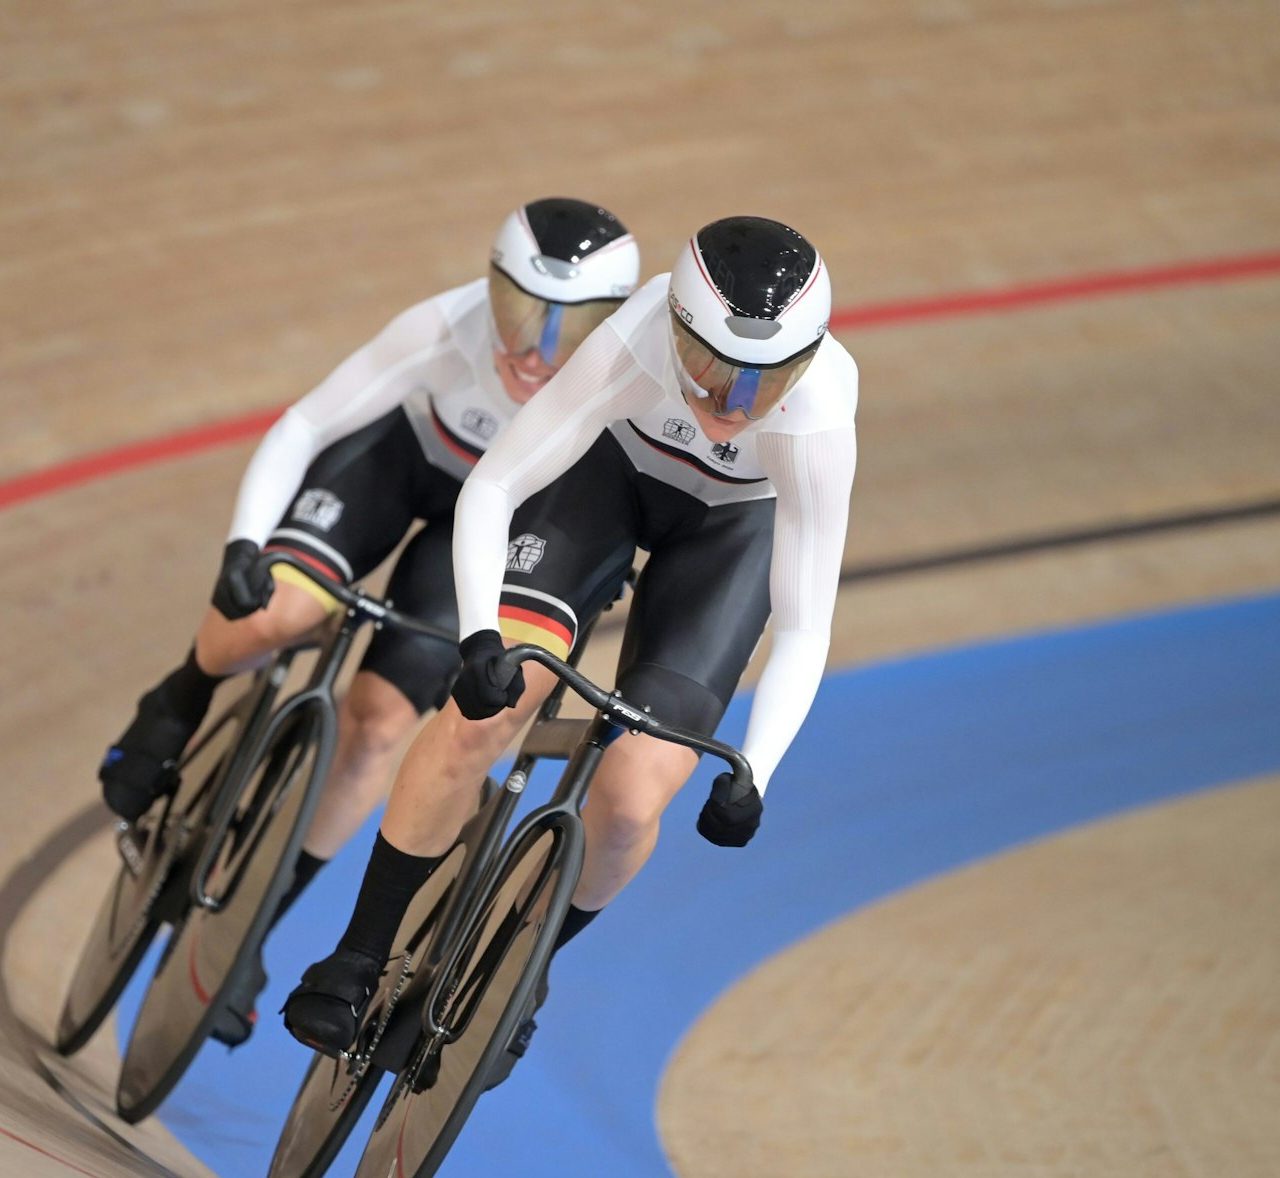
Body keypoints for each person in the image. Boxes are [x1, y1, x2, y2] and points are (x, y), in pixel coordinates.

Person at [283, 216, 858, 1071]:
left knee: (630, 806)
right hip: (607, 484)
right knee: (486, 714)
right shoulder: (629, 344)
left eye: (763, 384)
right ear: (676, 332)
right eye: (707, 370)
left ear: (803, 368)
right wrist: (479, 636)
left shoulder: (815, 417)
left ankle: (519, 970)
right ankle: (359, 952)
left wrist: (756, 771)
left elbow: (807, 621)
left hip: (729, 533)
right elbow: (497, 484)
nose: (729, 406)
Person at [98, 199, 640, 1039]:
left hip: (484, 528)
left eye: (570, 331)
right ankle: (180, 696)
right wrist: (246, 543)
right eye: (521, 315)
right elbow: (306, 422)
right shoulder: (440, 326)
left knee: (381, 727)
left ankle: (254, 929)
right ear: (489, 292)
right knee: (275, 614)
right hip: (397, 467)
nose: (537, 353)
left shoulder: (617, 386)